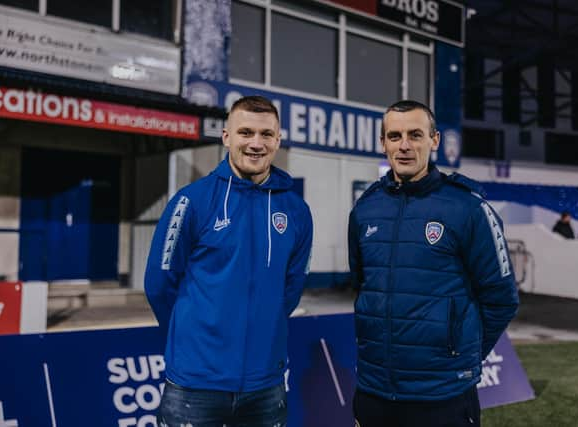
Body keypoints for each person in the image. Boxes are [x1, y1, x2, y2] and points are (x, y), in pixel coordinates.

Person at [348, 100, 519, 427]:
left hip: (443, 395)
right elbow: (363, 285)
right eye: (395, 136)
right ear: (383, 143)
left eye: (415, 134)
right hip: (374, 391)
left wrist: (459, 355)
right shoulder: (365, 209)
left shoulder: (468, 208)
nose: (405, 145)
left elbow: (502, 299)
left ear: (434, 140)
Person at [145, 95, 313, 426]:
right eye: (245, 132)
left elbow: (291, 289)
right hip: (195, 384)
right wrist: (192, 338)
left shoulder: (297, 211)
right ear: (226, 137)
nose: (256, 143)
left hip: (266, 385)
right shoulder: (191, 202)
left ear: (278, 140)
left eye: (266, 135)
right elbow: (159, 284)